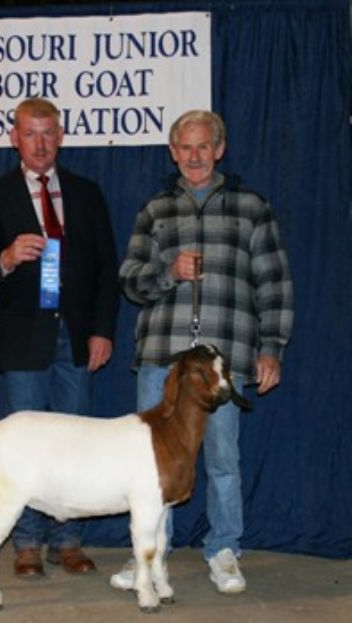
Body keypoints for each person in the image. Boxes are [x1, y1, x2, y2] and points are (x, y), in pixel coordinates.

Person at [113, 110, 293, 594]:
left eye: (202, 147)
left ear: (219, 149)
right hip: (161, 356)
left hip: (223, 360)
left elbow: (273, 283)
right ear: (172, 152)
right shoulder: (154, 211)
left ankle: (225, 550)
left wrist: (271, 347)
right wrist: (168, 271)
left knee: (221, 458)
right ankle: (151, 554)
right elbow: (129, 280)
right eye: (184, 148)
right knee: (151, 462)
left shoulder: (252, 207)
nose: (193, 156)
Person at [0, 98, 120, 578]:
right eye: (30, 133)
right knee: (26, 448)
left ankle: (68, 542)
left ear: (61, 136)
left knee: (74, 445)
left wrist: (102, 331)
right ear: (14, 138)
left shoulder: (86, 193)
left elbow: (105, 271)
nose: (40, 143)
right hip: (23, 340)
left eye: (49, 133)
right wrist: (7, 258)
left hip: (75, 338)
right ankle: (26, 544)